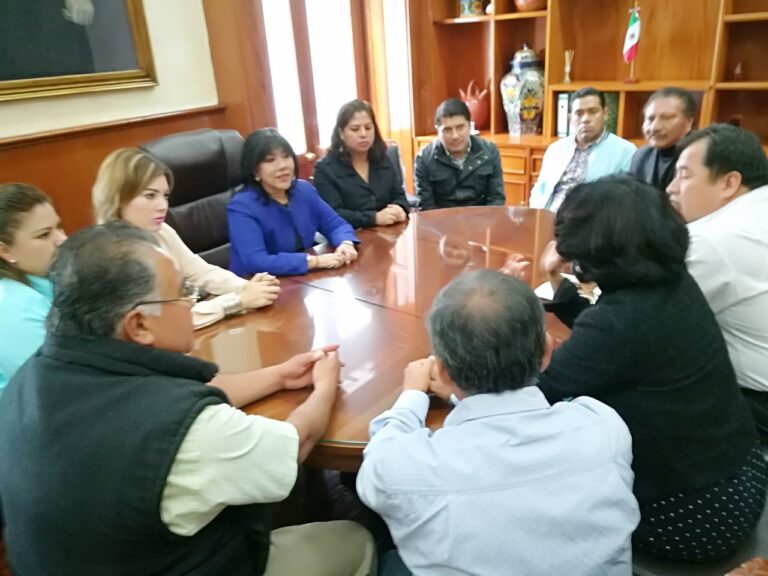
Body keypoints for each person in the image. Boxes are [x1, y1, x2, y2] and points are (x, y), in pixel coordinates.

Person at [0, 221, 376, 576]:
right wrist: (326, 386)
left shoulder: (34, 375)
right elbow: (294, 445)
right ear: (139, 324)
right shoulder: (183, 432)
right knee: (353, 538)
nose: (191, 303)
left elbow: (163, 399)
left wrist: (278, 375)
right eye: (182, 293)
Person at [536, 175, 766, 562]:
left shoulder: (621, 321)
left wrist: (452, 384)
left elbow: (539, 392)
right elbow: (614, 341)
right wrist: (561, 286)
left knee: (533, 487)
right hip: (742, 475)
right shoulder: (672, 283)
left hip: (692, 517)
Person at [357, 269, 639, 576]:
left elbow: (380, 454)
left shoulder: (406, 469)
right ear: (547, 352)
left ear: (444, 372)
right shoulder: (603, 427)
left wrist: (412, 394)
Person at [93, 148, 281, 330]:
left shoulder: (160, 231)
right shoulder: (109, 256)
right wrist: (237, 301)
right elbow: (163, 324)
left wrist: (251, 288)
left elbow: (201, 272)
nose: (162, 206)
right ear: (118, 197)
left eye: (165, 196)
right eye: (150, 195)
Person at [667, 124, 768, 444]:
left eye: (684, 175)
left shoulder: (715, 240)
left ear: (729, 182)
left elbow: (647, 319)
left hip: (752, 404)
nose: (671, 188)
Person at [228, 128, 359, 277]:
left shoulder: (303, 190)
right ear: (255, 171)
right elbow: (256, 261)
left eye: (286, 156)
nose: (282, 166)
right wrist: (313, 262)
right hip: (255, 287)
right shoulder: (242, 207)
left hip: (301, 281)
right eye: (270, 160)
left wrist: (346, 243)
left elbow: (336, 224)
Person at [0, 183, 66, 392]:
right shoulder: (11, 309)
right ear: (6, 251)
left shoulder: (51, 278)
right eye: (44, 235)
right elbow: (59, 386)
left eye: (58, 227)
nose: (62, 239)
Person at [530, 87, 636, 211]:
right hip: (550, 220)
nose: (585, 119)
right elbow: (540, 189)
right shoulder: (556, 149)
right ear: (570, 118)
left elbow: (627, 202)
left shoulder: (625, 151)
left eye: (593, 112)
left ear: (605, 114)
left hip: (594, 224)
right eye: (579, 113)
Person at [313, 99, 409, 228]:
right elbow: (333, 214)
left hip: (389, 232)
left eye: (368, 128)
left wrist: (399, 208)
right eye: (355, 129)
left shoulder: (383, 159)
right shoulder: (325, 169)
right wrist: (373, 218)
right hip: (349, 238)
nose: (364, 134)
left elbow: (399, 195)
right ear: (341, 133)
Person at [414, 98, 505, 210]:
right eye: (447, 130)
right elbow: (426, 208)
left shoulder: (489, 151)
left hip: (481, 220)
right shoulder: (424, 159)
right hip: (442, 223)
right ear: (438, 130)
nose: (455, 136)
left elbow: (496, 199)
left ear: (469, 126)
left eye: (460, 128)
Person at [629, 87, 695, 191]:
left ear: (689, 122)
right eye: (650, 119)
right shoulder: (642, 156)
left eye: (667, 118)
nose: (655, 127)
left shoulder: (700, 158)